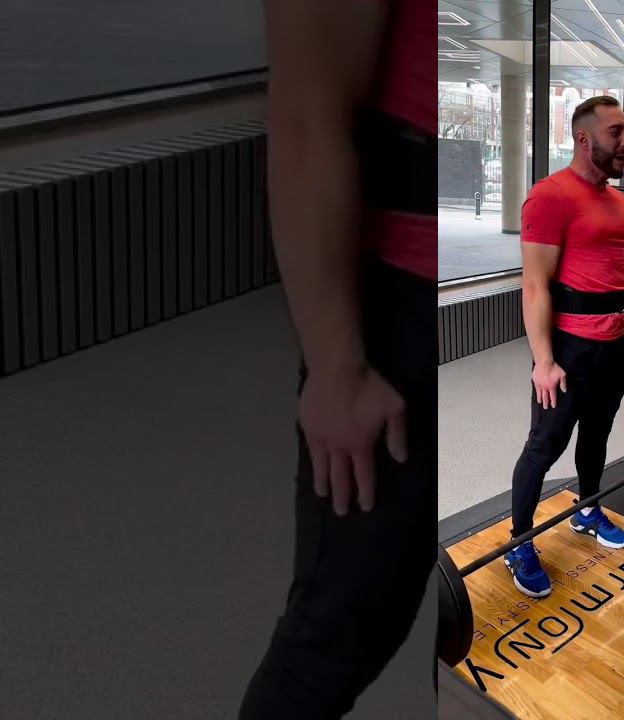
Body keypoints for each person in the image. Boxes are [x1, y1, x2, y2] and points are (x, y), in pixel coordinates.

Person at [239, 2, 434, 718]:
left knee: (398, 609)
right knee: (337, 631)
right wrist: (334, 366)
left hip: (430, 298)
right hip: (395, 309)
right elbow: (304, 116)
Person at [505, 95, 624, 598]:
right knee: (544, 446)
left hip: (614, 345)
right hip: (568, 350)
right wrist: (544, 361)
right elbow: (535, 284)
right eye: (616, 132)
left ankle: (587, 508)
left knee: (597, 435)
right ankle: (519, 542)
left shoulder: (618, 202)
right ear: (584, 139)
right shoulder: (550, 196)